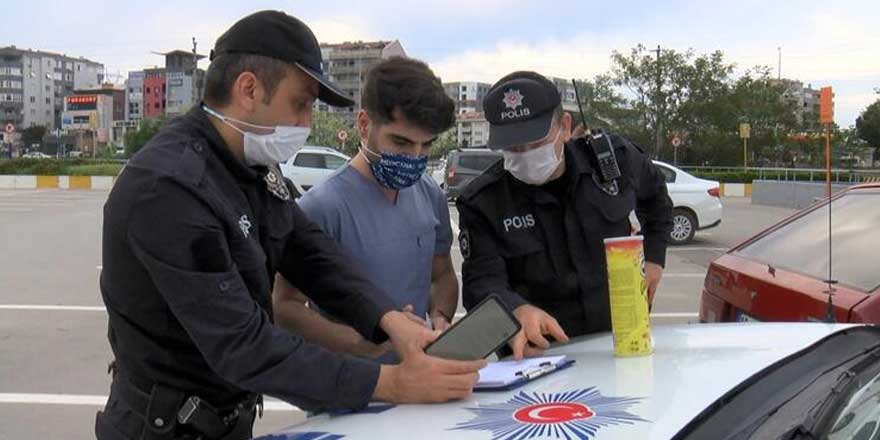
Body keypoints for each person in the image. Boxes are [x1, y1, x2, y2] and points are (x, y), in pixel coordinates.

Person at [96, 10, 484, 440]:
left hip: (224, 418)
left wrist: (389, 320)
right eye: (300, 105)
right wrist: (389, 384)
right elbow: (243, 345)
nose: (306, 123)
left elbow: (309, 252)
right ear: (248, 89)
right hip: (165, 428)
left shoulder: (251, 167)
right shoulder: (169, 188)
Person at [456, 71, 673, 360]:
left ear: (565, 127)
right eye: (513, 147)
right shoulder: (483, 202)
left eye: (535, 142)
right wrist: (515, 309)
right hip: (541, 357)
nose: (525, 155)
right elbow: (481, 282)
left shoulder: (614, 163)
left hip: (620, 342)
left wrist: (655, 259)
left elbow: (657, 199)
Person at [273, 57, 458, 359]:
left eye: (426, 145)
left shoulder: (429, 194)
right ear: (363, 124)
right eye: (401, 142)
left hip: (422, 379)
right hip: (350, 390)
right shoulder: (321, 207)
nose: (414, 156)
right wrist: (358, 342)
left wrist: (441, 318)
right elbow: (285, 307)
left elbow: (442, 276)